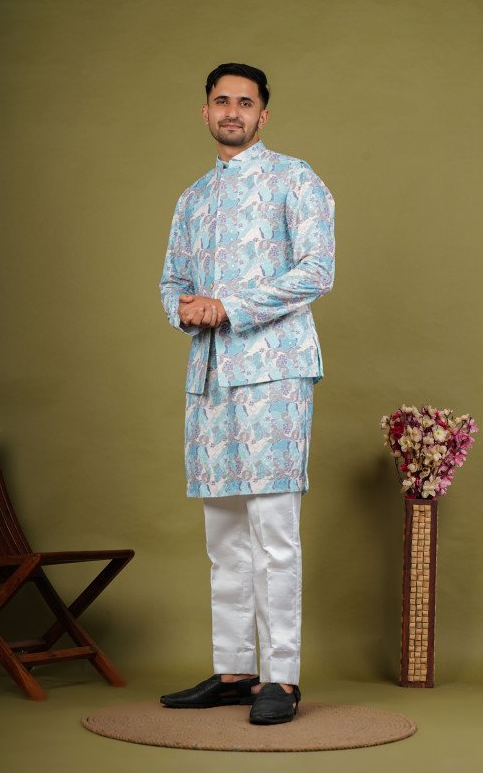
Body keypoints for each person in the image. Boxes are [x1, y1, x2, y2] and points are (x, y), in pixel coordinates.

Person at [158, 62, 335, 725]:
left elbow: (317, 270)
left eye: (245, 102)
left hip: (274, 372)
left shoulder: (294, 178)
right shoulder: (193, 198)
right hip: (209, 376)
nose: (232, 111)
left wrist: (228, 305)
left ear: (263, 115)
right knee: (224, 535)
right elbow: (172, 282)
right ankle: (235, 671)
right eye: (221, 100)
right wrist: (184, 309)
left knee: (273, 534)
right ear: (205, 111)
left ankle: (281, 678)